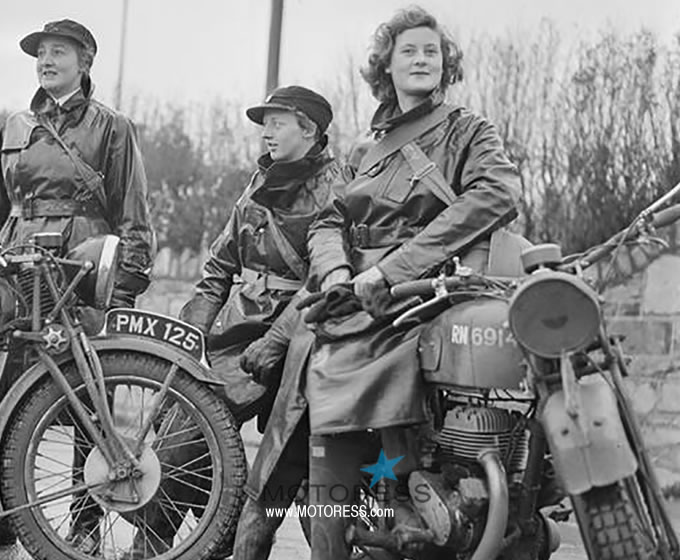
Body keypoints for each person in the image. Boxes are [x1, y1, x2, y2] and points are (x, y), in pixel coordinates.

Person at [273, 7, 521, 559]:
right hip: (353, 297)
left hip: (426, 292)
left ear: (445, 64)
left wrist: (396, 268)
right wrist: (338, 269)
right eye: (408, 50)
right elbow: (327, 221)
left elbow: (499, 194)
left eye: (431, 51)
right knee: (315, 391)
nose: (421, 59)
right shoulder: (365, 150)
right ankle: (336, 541)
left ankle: (424, 496)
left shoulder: (468, 130)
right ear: (386, 65)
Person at [0, 18, 154, 553]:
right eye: (40, 53)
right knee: (8, 398)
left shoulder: (113, 127)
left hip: (81, 271)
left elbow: (133, 211)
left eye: (59, 52)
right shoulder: (13, 127)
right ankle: (1, 519)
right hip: (20, 266)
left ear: (85, 62)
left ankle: (84, 524)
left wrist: (123, 284)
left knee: (85, 401)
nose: (47, 61)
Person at [165, 85, 340, 559]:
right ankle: (160, 545)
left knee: (301, 479)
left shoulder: (337, 186)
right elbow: (217, 269)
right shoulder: (258, 183)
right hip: (236, 334)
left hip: (303, 338)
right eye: (265, 123)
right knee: (178, 438)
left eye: (278, 122)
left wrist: (281, 340)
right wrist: (192, 338)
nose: (266, 132)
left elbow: (328, 279)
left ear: (310, 130)